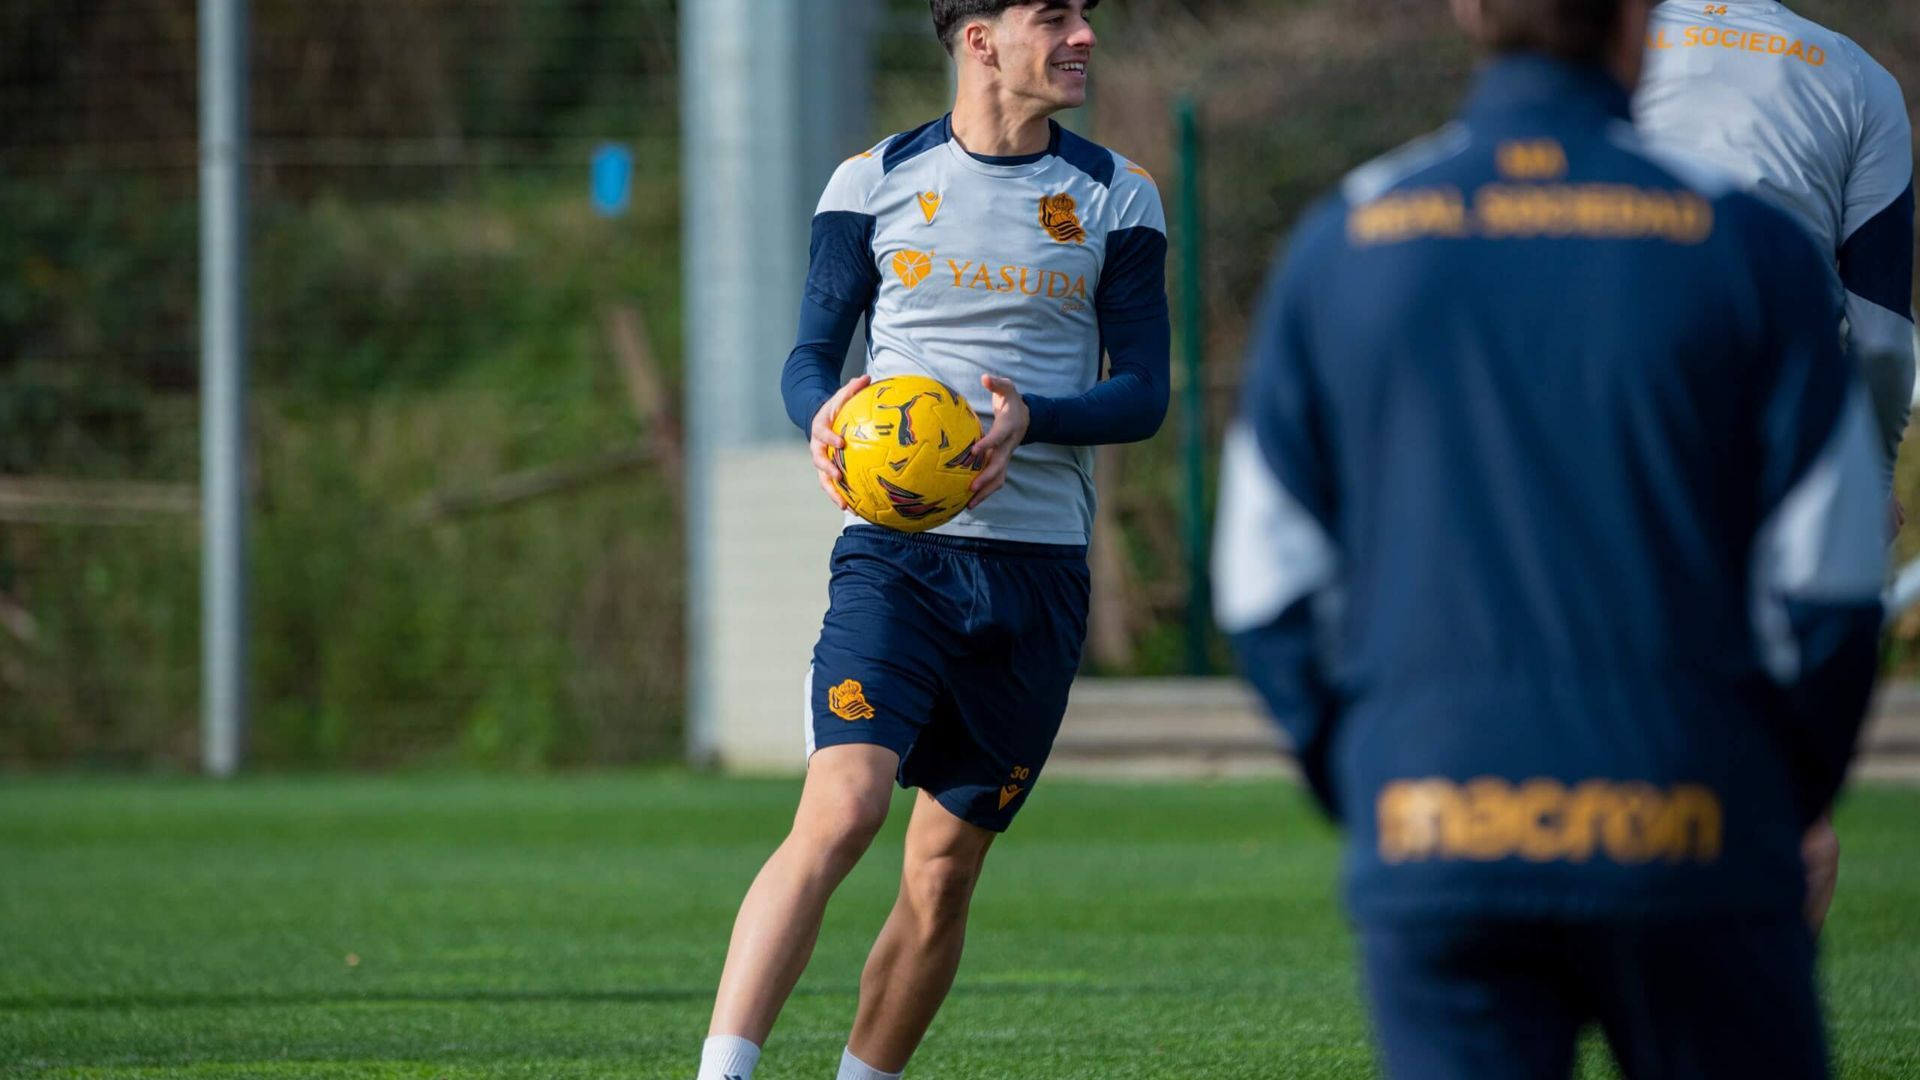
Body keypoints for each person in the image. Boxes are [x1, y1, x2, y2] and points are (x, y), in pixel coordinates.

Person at [1213, 0, 1884, 1075]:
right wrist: (1772, 792)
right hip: (1692, 817)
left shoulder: (1348, 236)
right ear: (1638, 19)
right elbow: (1835, 581)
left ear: (1468, 12)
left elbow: (1264, 583)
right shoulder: (1749, 245)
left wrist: (1375, 771)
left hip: (1435, 819)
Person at [696, 3, 1169, 1079]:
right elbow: (810, 353)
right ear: (979, 37)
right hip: (894, 560)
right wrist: (820, 410)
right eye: (1055, 14)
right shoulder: (872, 181)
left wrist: (1032, 419)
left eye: (1087, 14)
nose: (1085, 34)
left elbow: (1143, 393)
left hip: (1039, 569)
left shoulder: (1116, 195)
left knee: (945, 870)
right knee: (844, 806)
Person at [1634, 0, 1915, 933]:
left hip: (1607, 416)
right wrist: (1867, 486)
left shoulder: (1604, 33)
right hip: (1781, 432)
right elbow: (1880, 329)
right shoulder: (1858, 77)